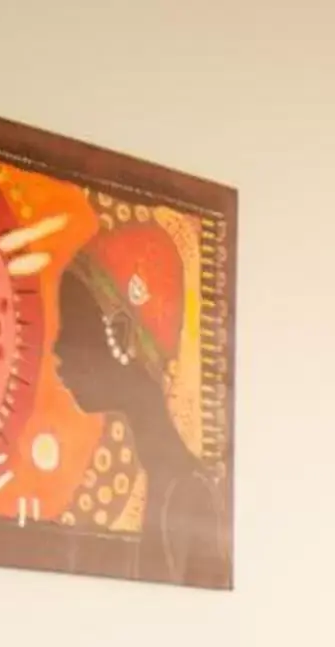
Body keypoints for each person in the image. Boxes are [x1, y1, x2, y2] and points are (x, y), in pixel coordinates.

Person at [52, 219, 229, 587]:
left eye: (72, 330)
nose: (58, 351)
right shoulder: (163, 481)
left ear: (123, 335)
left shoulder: (187, 495)